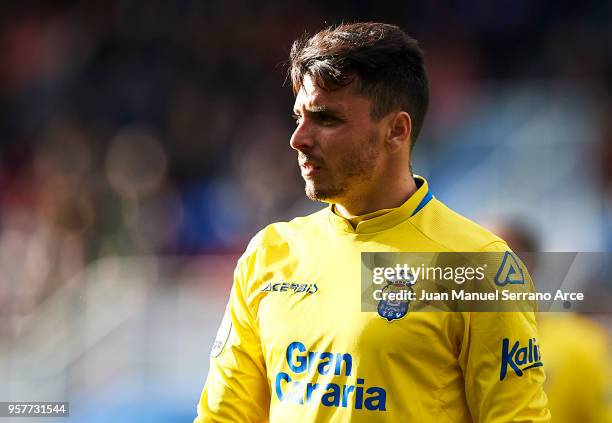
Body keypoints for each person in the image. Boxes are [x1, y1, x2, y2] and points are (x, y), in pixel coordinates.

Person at [194, 22, 550, 422]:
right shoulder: (269, 252)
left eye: (326, 119)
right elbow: (224, 416)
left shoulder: (479, 265)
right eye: (299, 117)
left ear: (396, 130)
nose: (299, 138)